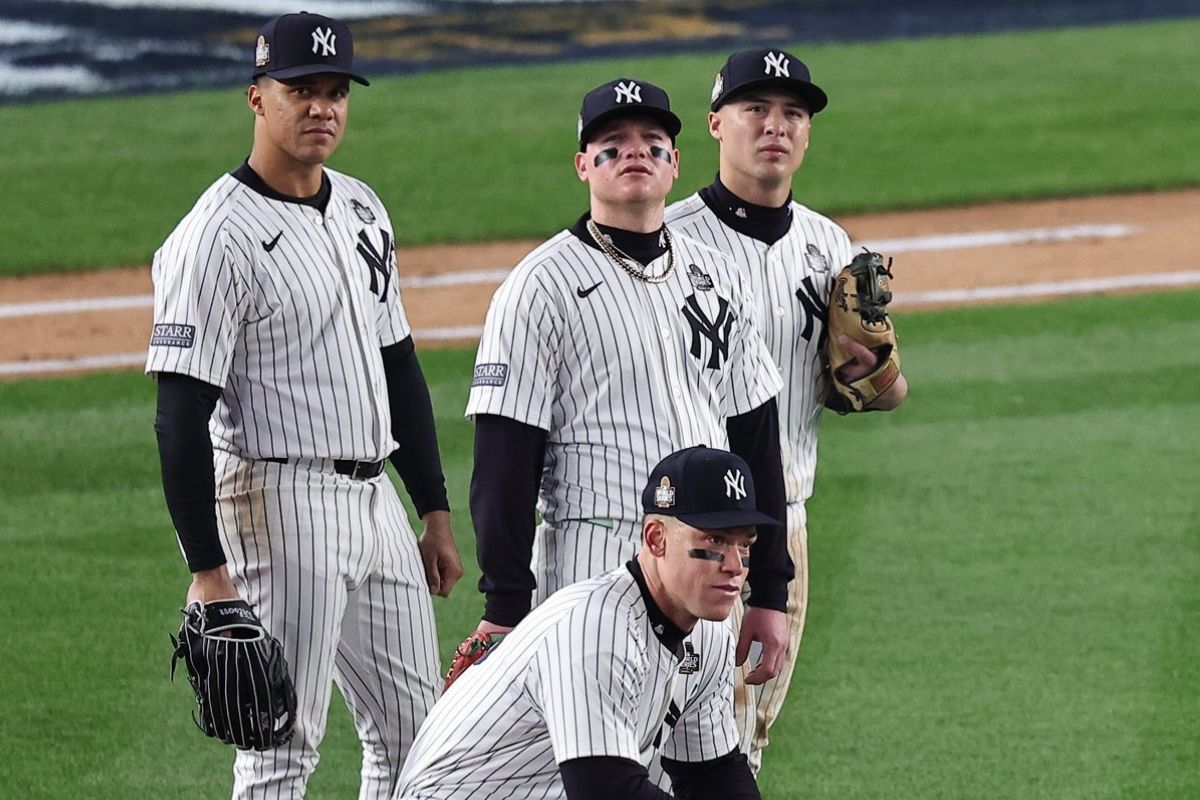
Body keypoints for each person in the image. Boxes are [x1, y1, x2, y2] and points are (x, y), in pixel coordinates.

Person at [146, 12, 463, 798]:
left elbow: (399, 363)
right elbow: (178, 415)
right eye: (300, 91)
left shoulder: (362, 208)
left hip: (377, 502)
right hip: (278, 502)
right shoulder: (215, 236)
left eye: (334, 92)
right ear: (258, 98)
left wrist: (432, 510)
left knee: (420, 739)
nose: (321, 107)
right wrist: (208, 573)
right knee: (280, 750)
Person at [460, 78, 793, 705]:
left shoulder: (715, 275)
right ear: (584, 165)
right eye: (612, 144)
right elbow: (504, 460)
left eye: (653, 141)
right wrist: (505, 604)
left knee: (700, 769)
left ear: (675, 164)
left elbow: (756, 436)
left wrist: (770, 590)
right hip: (594, 568)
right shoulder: (539, 287)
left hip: (707, 569)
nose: (635, 152)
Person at [665, 49, 910, 771]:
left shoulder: (829, 245)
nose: (776, 126)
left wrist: (878, 376)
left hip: (784, 523)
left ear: (807, 133)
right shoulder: (670, 239)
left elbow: (882, 390)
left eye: (793, 113)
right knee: (667, 742)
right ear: (716, 124)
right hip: (685, 526)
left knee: (745, 744)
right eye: (755, 110)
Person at [396, 446, 775, 799]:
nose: (735, 566)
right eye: (716, 540)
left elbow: (714, 774)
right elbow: (608, 791)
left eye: (745, 544)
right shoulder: (596, 628)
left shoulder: (708, 636)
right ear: (656, 539)